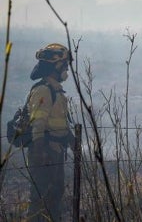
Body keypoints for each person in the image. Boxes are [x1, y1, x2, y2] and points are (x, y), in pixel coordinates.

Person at [26, 43, 74, 221]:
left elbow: (59, 122)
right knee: (40, 200)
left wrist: (71, 140)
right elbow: (38, 126)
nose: (67, 69)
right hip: (45, 153)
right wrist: (40, 154)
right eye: (65, 65)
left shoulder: (56, 90)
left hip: (55, 153)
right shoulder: (44, 90)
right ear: (56, 66)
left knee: (55, 198)